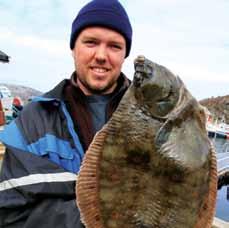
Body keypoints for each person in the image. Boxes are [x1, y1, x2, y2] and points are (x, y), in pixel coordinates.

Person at [0, 0, 132, 227]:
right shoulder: (33, 121)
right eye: (91, 42)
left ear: (124, 54)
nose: (101, 55)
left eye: (114, 46)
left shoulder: (154, 121)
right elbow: (11, 214)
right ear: (73, 48)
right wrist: (102, 218)